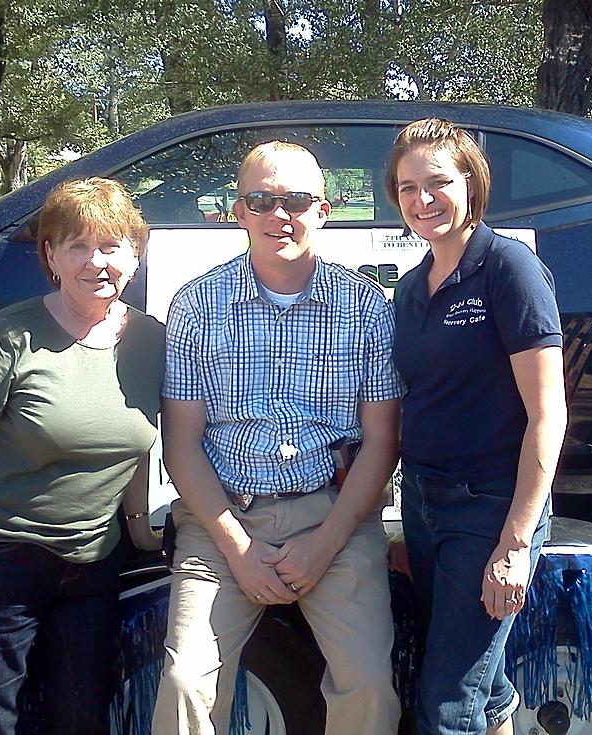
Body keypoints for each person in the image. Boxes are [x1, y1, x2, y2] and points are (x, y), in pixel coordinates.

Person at [152, 141, 402, 735]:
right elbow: (181, 443)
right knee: (186, 681)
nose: (278, 215)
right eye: (261, 200)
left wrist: (324, 544)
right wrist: (237, 548)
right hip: (223, 521)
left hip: (334, 517)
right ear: (237, 212)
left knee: (367, 682)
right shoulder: (196, 304)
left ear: (325, 210)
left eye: (295, 200)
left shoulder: (366, 305)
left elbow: (381, 442)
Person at [0, 177, 164, 734]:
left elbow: (129, 446)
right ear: (50, 256)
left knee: (80, 717)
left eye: (110, 246)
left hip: (93, 565)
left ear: (135, 254)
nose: (95, 262)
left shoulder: (152, 339)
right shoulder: (11, 333)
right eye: (76, 246)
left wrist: (141, 531)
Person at [386, 118, 568, 735]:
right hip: (425, 504)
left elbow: (548, 414)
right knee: (481, 687)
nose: (423, 199)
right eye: (408, 187)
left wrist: (515, 544)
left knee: (446, 705)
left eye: (438, 181)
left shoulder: (508, 270)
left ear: (472, 184)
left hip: (489, 508)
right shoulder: (411, 289)